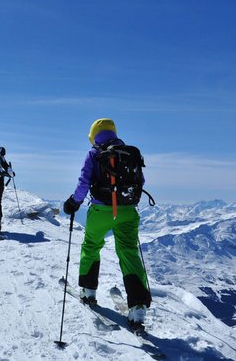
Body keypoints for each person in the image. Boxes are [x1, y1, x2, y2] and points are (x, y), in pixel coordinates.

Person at [63, 118, 151, 329]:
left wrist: (74, 202)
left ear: (93, 135)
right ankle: (138, 308)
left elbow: (84, 182)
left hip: (102, 210)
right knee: (128, 251)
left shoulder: (94, 153)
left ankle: (88, 291)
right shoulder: (130, 152)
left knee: (91, 246)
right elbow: (142, 182)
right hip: (129, 211)